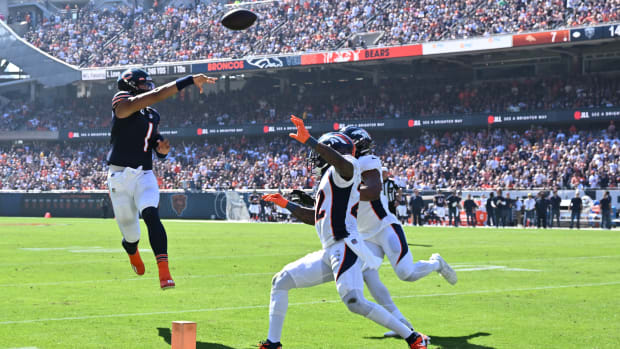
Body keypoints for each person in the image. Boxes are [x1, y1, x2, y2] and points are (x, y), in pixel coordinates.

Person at [260, 117, 430, 349]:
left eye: (322, 152)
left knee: (354, 301)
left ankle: (413, 337)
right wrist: (286, 204)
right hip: (330, 249)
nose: (315, 159)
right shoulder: (328, 180)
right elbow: (315, 218)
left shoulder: (346, 169)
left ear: (334, 150)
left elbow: (345, 165)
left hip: (345, 246)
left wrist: (310, 141)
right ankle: (273, 344)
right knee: (280, 281)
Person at [342, 125, 456, 338]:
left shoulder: (368, 161)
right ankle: (401, 323)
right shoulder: (346, 167)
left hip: (385, 226)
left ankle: (436, 263)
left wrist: (345, 194)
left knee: (407, 273)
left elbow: (373, 192)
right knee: (367, 273)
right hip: (365, 233)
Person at [107, 68, 217, 289]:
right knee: (131, 233)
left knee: (151, 215)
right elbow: (156, 94)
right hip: (119, 176)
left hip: (144, 174)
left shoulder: (151, 115)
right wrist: (189, 81)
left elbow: (155, 146)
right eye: (142, 83)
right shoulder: (121, 101)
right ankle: (131, 249)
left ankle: (164, 272)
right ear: (129, 85)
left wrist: (162, 150)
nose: (147, 86)